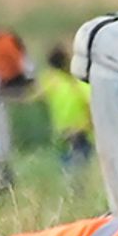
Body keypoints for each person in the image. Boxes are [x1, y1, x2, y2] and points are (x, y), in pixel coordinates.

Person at [36, 41, 94, 170]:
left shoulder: (49, 81)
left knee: (67, 168)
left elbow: (35, 96)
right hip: (81, 131)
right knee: (80, 169)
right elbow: (89, 104)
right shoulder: (78, 82)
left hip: (63, 132)